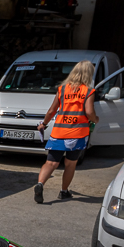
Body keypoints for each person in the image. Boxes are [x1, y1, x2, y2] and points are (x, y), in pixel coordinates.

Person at [33, 60, 99, 204]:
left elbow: (51, 111)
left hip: (59, 132)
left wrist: (44, 124)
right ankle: (63, 191)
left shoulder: (62, 89)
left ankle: (40, 184)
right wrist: (96, 119)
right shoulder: (88, 91)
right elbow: (89, 112)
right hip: (77, 134)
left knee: (51, 162)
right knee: (70, 164)